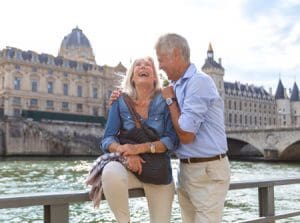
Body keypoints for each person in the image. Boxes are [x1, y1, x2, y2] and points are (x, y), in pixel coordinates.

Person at [155, 33, 231, 223]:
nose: (160, 66)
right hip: (186, 169)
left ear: (176, 54)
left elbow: (187, 135)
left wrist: (170, 100)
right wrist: (121, 98)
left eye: (161, 59)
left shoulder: (199, 82)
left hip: (207, 170)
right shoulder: (175, 85)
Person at [101, 56, 178, 223]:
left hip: (159, 173)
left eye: (148, 65)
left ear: (155, 76)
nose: (143, 67)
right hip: (129, 169)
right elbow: (107, 139)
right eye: (138, 65)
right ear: (132, 76)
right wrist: (125, 152)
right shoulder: (120, 101)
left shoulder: (166, 101)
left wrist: (139, 149)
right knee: (110, 171)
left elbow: (172, 140)